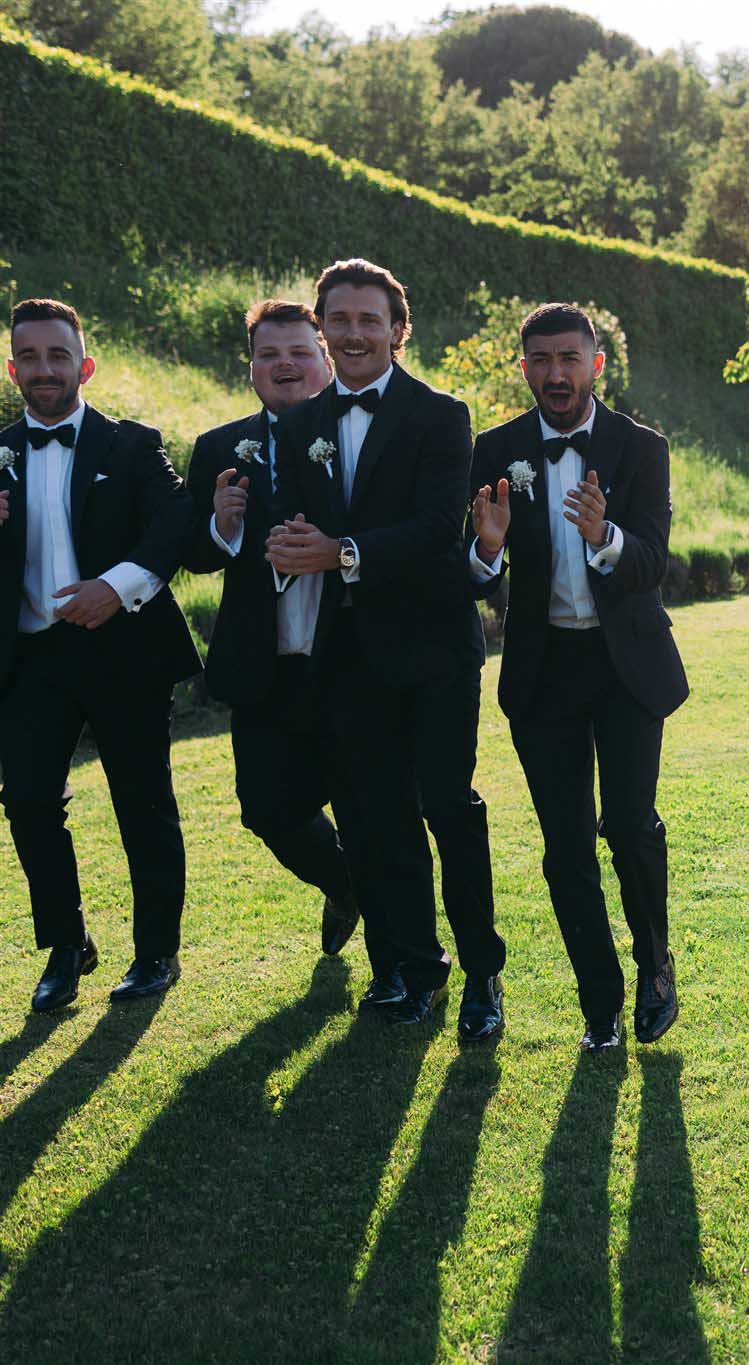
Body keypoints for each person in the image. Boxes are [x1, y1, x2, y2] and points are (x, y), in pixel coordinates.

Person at [267, 259, 505, 1039]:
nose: (354, 333)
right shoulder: (299, 426)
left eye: (370, 320)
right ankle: (407, 965)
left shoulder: (442, 415)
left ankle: (483, 973)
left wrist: (339, 552)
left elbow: (438, 527)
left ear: (398, 329)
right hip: (347, 656)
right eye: (339, 319)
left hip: (434, 649)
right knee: (373, 818)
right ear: (321, 329)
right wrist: (283, 542)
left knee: (447, 809)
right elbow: (295, 521)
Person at [469, 303, 687, 1052]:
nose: (555, 373)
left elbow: (652, 562)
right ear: (524, 367)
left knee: (629, 826)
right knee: (566, 848)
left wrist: (605, 536)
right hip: (545, 670)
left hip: (626, 666)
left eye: (569, 359)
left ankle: (655, 966)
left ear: (596, 364)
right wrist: (488, 549)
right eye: (541, 359)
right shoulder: (496, 449)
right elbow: (474, 571)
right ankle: (601, 1006)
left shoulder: (641, 447)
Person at [0, 298, 200, 1011]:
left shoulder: (132, 445)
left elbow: (177, 524)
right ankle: (66, 945)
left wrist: (116, 587)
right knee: (27, 802)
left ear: (84, 366)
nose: (44, 369)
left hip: (125, 653)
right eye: (29, 357)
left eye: (58, 356)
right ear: (13, 369)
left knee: (143, 804)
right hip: (31, 661)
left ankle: (156, 953)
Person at [182, 299, 360, 959]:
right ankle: (345, 885)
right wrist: (222, 526)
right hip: (262, 663)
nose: (284, 365)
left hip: (347, 659)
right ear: (251, 366)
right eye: (269, 354)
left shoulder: (361, 438)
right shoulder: (218, 448)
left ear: (325, 361)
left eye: (299, 352)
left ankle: (401, 963)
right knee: (265, 808)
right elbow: (194, 554)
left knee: (367, 807)